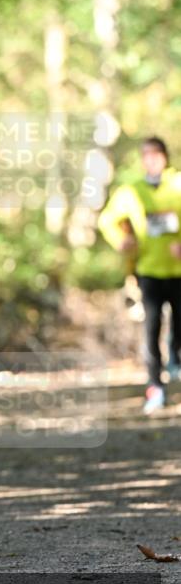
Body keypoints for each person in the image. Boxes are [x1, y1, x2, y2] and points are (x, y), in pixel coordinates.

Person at [98, 137, 181, 413]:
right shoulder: (131, 191)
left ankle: (175, 360)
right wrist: (120, 241)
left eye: (156, 154)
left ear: (165, 156)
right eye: (146, 155)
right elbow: (106, 220)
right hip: (148, 272)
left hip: (179, 271)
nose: (151, 160)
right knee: (151, 330)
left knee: (178, 329)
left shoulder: (178, 184)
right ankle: (155, 387)